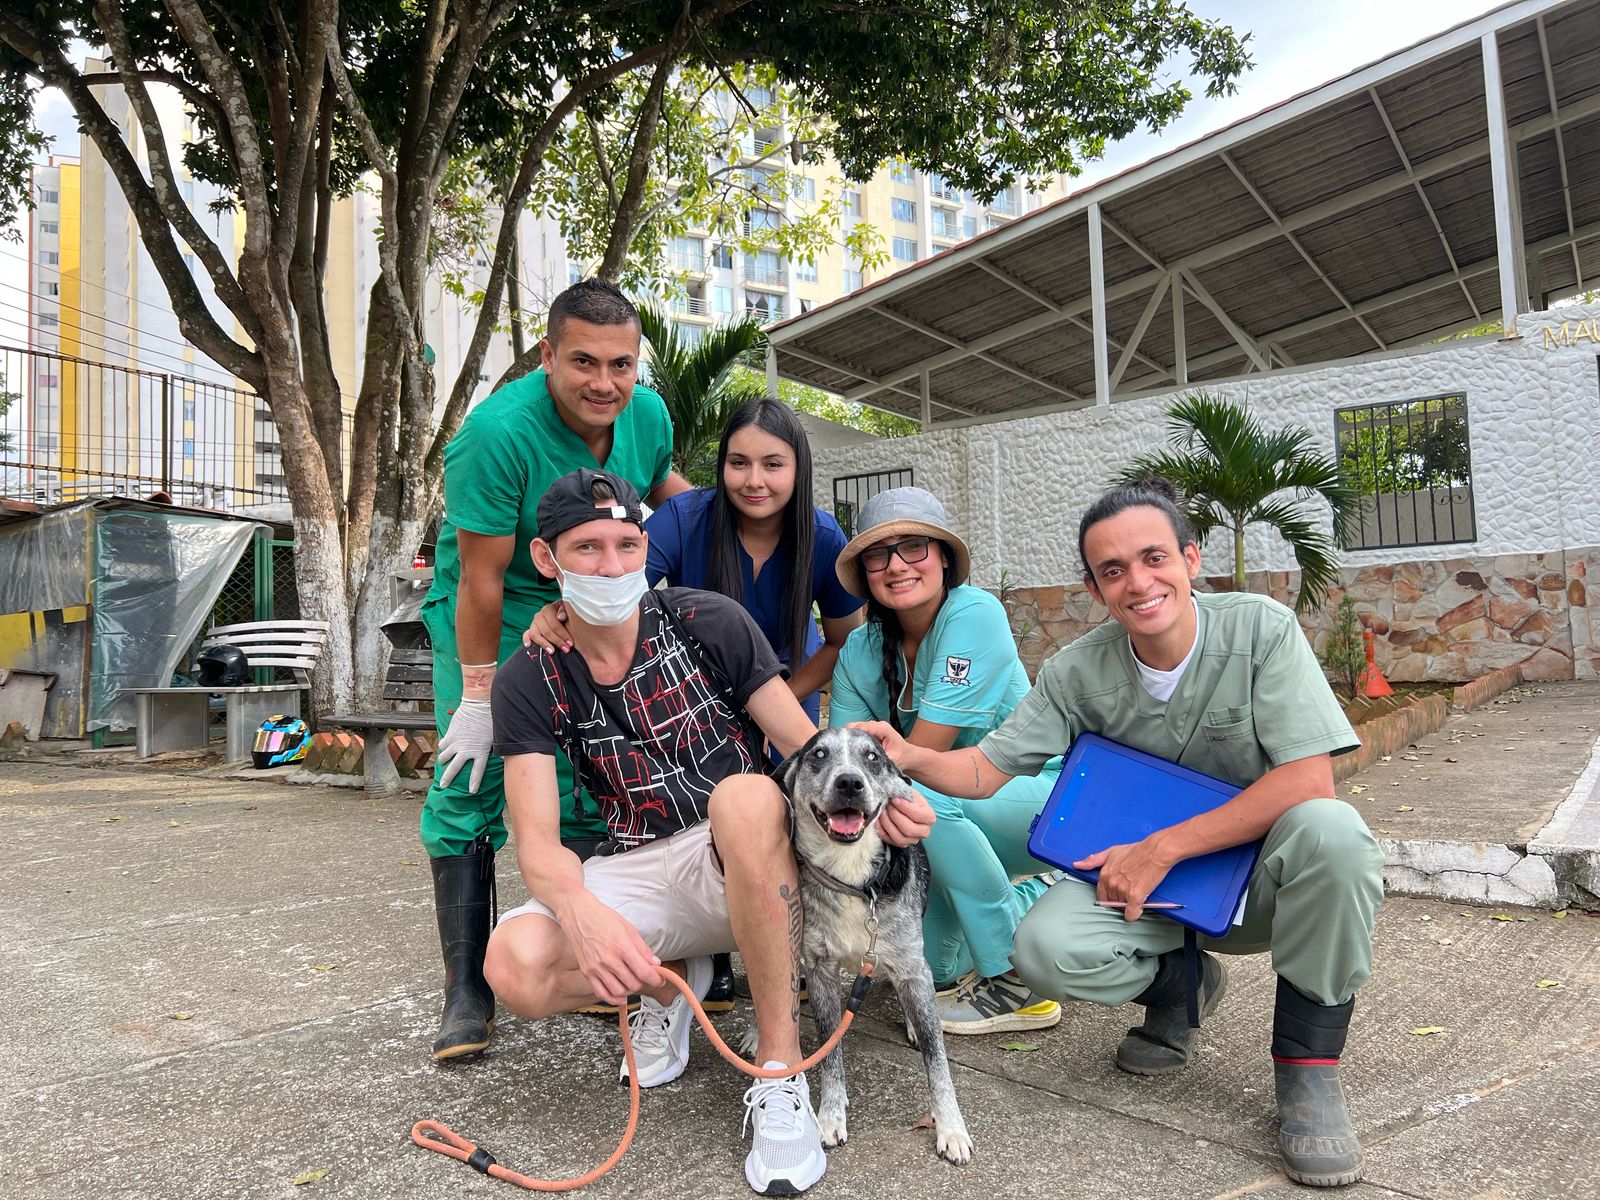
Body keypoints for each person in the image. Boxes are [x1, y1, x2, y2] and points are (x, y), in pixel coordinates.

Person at [855, 477, 1384, 1188]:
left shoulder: (1260, 629)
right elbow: (986, 769)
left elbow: (1307, 781)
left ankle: (1308, 1073)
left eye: (1154, 558)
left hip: (1256, 887)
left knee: (1335, 832)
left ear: (1191, 560)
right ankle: (1182, 986)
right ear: (1094, 586)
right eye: (1113, 570)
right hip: (1138, 891)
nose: (1138, 583)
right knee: (1042, 947)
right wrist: (910, 755)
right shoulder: (1078, 671)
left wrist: (1161, 848)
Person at [482, 468, 935, 1197]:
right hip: (636, 857)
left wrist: (890, 795)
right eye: (587, 548)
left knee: (750, 796)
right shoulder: (531, 675)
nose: (611, 565)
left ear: (645, 545)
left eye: (627, 544)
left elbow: (798, 746)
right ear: (547, 559)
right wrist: (580, 916)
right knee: (514, 965)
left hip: (747, 856)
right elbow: (535, 840)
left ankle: (781, 1076)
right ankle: (669, 991)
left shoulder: (707, 619)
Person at [419, 279, 691, 1062]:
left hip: (597, 600)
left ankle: (593, 953)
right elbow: (480, 580)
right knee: (469, 778)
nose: (604, 383)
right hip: (498, 611)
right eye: (583, 362)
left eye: (621, 364)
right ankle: (467, 986)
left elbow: (664, 494)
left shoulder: (647, 414)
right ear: (547, 356)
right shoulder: (495, 435)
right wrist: (477, 695)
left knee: (591, 777)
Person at [527, 397, 866, 1008]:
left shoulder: (819, 535)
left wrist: (782, 693)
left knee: (776, 825)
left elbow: (844, 638)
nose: (755, 480)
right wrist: (559, 608)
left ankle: (795, 954)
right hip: (696, 697)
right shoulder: (685, 517)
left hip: (779, 694)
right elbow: (616, 570)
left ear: (799, 468)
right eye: (739, 462)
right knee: (696, 816)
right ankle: (702, 963)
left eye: (773, 464)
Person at [827, 487, 1062, 1036]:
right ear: (864, 573)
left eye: (914, 547)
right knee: (938, 966)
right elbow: (847, 762)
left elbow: (921, 756)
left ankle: (1013, 979)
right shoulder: (858, 652)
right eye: (878, 555)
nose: (896, 566)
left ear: (944, 558)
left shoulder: (975, 613)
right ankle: (1038, 891)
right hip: (934, 822)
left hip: (1032, 796)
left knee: (917, 795)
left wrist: (877, 787)